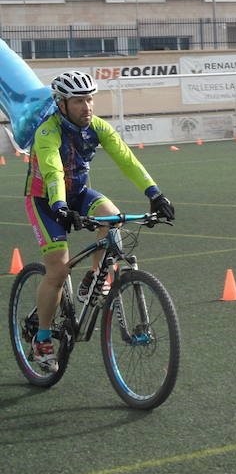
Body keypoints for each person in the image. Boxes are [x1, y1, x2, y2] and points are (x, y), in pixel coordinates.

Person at [24, 70, 175, 373]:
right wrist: (60, 207)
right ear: (62, 104)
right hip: (45, 201)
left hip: (78, 193)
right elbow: (53, 172)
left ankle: (94, 277)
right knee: (57, 269)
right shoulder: (48, 131)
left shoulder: (97, 127)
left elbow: (126, 159)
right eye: (79, 100)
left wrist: (155, 194)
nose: (87, 106)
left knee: (112, 217)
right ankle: (41, 339)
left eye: (90, 99)